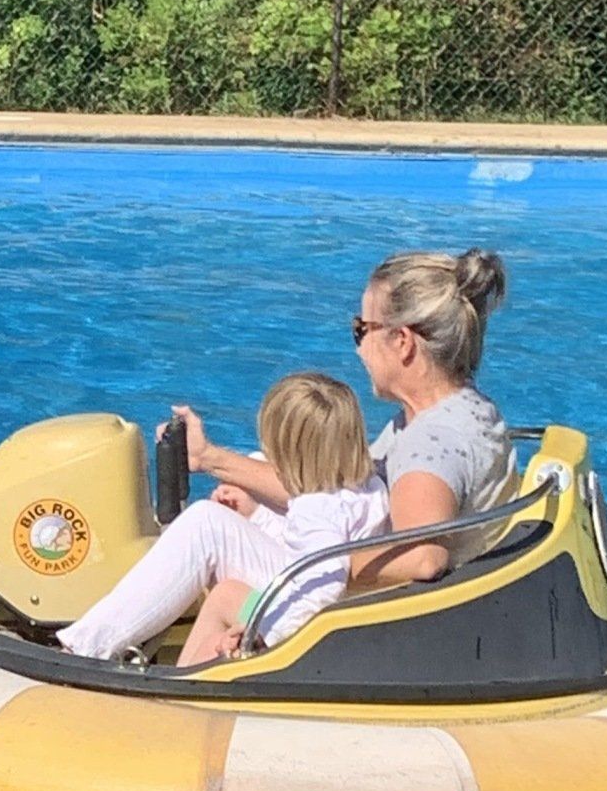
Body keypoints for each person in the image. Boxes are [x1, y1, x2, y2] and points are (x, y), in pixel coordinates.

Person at [176, 249, 513, 589]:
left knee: (206, 525)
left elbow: (425, 559)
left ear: (402, 342)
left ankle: (120, 638)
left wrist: (320, 555)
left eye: (361, 330)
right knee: (257, 470)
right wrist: (209, 458)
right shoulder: (463, 410)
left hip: (353, 616)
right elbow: (335, 488)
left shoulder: (427, 445)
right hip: (380, 586)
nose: (358, 349)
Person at [61, 373, 388, 663]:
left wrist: (263, 631)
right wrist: (257, 515)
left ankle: (87, 648)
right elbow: (309, 547)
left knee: (204, 523)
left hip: (302, 624)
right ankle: (177, 678)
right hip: (327, 602)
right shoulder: (364, 487)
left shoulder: (319, 506)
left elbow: (320, 586)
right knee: (216, 552)